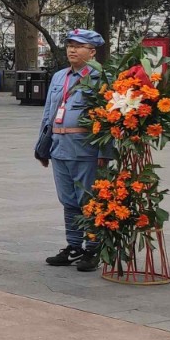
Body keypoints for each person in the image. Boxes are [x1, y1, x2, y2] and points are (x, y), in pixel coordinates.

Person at [39, 29, 108, 273]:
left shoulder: (101, 78)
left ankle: (93, 248)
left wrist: (105, 153)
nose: (72, 50)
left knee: (89, 200)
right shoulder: (60, 76)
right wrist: (42, 147)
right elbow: (48, 114)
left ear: (92, 51)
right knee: (68, 200)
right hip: (60, 146)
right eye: (69, 45)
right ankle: (74, 246)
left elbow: (110, 119)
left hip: (86, 149)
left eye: (78, 46)